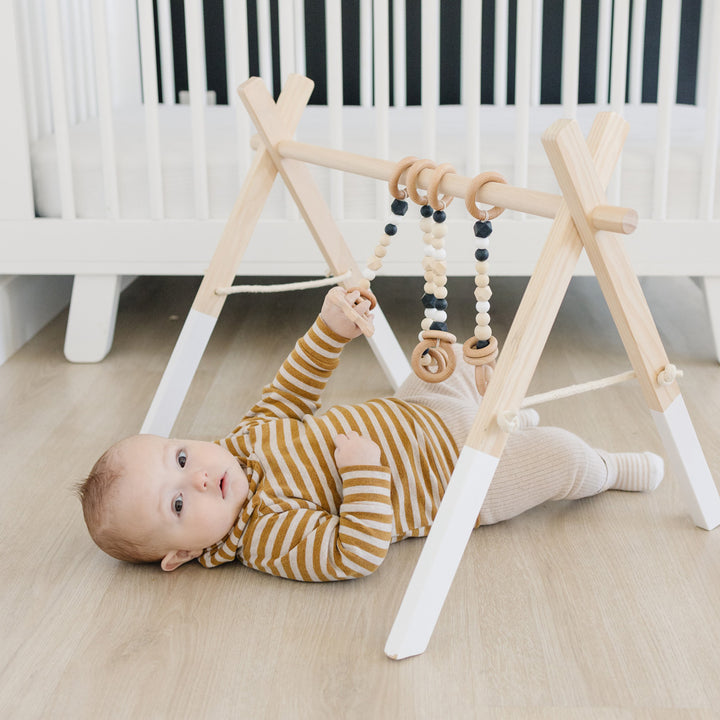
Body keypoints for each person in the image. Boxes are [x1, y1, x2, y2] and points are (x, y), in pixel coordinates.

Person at [77, 287, 664, 580]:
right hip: (457, 483)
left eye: (180, 457)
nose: (199, 476)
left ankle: (509, 423)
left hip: (423, 413)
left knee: (446, 357)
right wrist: (361, 473)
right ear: (182, 554)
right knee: (560, 458)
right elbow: (354, 554)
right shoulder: (267, 536)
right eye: (178, 502)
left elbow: (291, 390)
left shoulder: (244, 440)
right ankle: (609, 469)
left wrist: (329, 332)